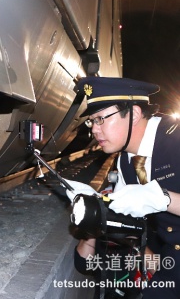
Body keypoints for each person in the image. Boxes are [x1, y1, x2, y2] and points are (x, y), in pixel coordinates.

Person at [65, 76, 180, 298]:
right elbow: (128, 221)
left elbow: (155, 200)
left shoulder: (176, 139)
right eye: (91, 121)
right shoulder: (126, 161)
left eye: (100, 119)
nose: (94, 130)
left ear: (134, 114)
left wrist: (163, 198)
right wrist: (96, 210)